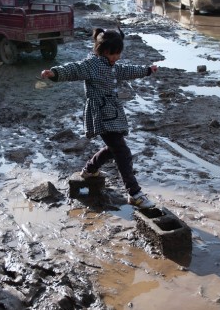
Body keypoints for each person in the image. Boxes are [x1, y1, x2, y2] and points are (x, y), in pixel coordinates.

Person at [40, 27, 158, 209]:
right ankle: (134, 193)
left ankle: (90, 170)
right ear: (103, 51)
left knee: (114, 148)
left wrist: (147, 70)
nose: (117, 57)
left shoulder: (112, 66)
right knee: (122, 152)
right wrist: (55, 73)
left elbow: (127, 71)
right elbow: (74, 70)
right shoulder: (92, 65)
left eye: (119, 53)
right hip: (101, 115)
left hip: (113, 113)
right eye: (114, 53)